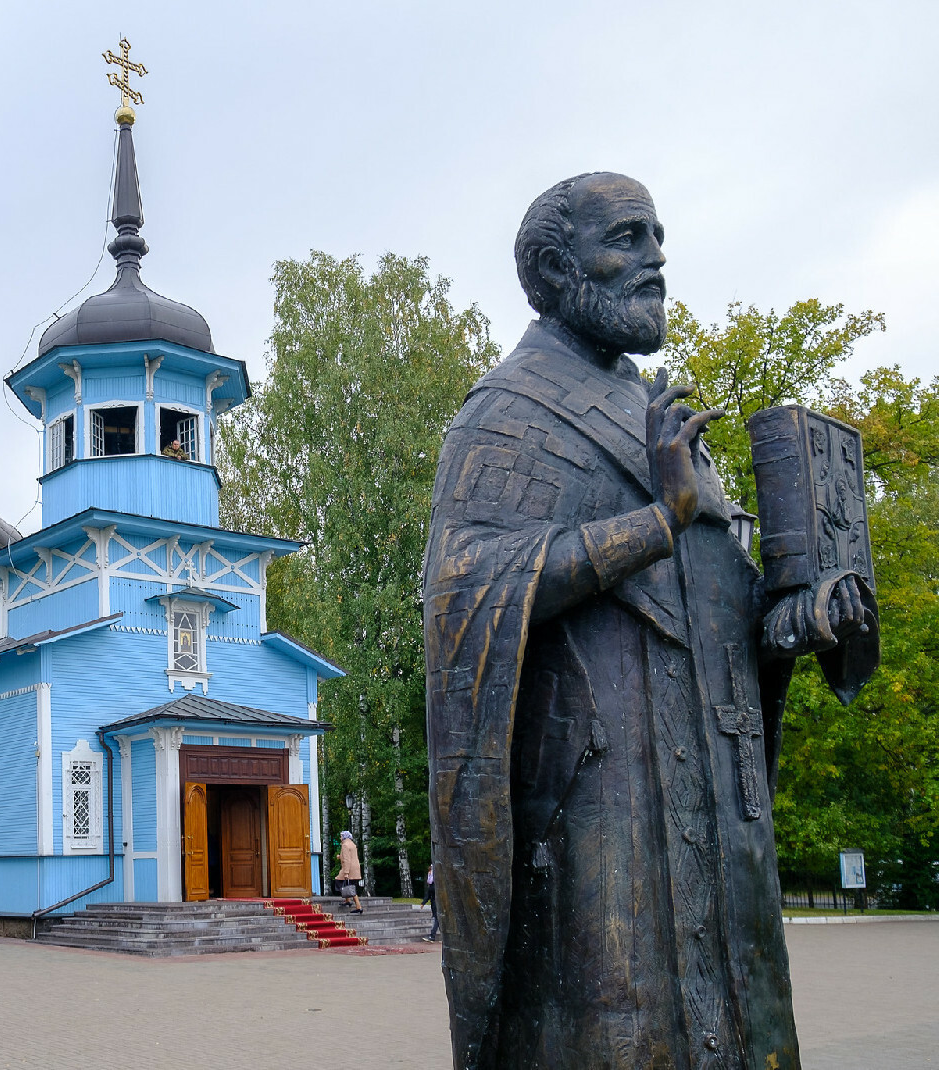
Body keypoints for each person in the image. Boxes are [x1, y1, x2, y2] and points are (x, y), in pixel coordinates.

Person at [423, 173, 875, 1069]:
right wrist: (654, 522)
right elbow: (464, 585)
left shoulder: (663, 418)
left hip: (711, 802)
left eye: (659, 236)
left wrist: (797, 617)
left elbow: (718, 612)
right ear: (556, 269)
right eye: (627, 239)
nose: (656, 258)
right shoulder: (508, 413)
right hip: (601, 820)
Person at [334, 830, 363, 914]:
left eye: (341, 836)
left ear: (344, 837)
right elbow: (350, 856)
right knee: (349, 885)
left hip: (349, 869)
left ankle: (358, 906)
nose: (340, 838)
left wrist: (346, 872)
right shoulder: (352, 844)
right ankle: (347, 900)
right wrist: (340, 856)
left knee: (343, 883)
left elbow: (347, 860)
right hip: (355, 868)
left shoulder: (345, 845)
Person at [423, 863, 438, 941]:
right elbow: (429, 894)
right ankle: (432, 935)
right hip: (434, 903)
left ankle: (432, 936)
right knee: (437, 919)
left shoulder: (436, 884)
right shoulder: (432, 885)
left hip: (438, 904)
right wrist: (423, 902)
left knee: (437, 919)